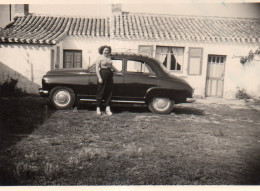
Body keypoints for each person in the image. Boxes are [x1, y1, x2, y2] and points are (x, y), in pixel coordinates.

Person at [95, 45, 113, 116]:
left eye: (108, 50)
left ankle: (107, 108)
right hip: (102, 74)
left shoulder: (109, 57)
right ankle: (98, 108)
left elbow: (111, 66)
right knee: (101, 91)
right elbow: (97, 69)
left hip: (109, 75)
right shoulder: (99, 57)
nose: (106, 52)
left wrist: (115, 71)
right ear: (102, 51)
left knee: (109, 91)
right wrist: (99, 77)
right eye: (105, 50)